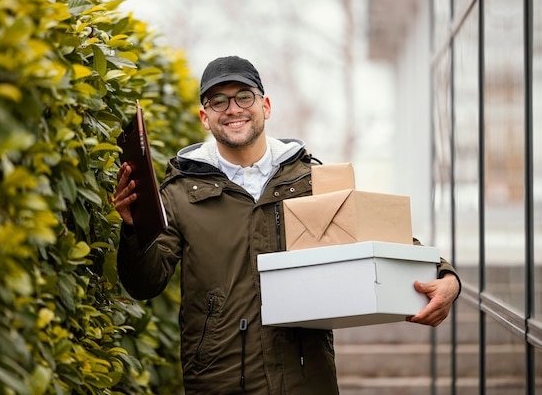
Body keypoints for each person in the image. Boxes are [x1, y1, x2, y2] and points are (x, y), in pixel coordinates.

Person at [113, 56, 461, 395]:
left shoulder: (311, 180)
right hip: (218, 379)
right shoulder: (179, 194)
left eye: (244, 96)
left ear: (265, 106)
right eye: (218, 101)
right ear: (205, 117)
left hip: (306, 378)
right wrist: (133, 229)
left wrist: (446, 276)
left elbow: (379, 233)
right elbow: (145, 283)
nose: (232, 108)